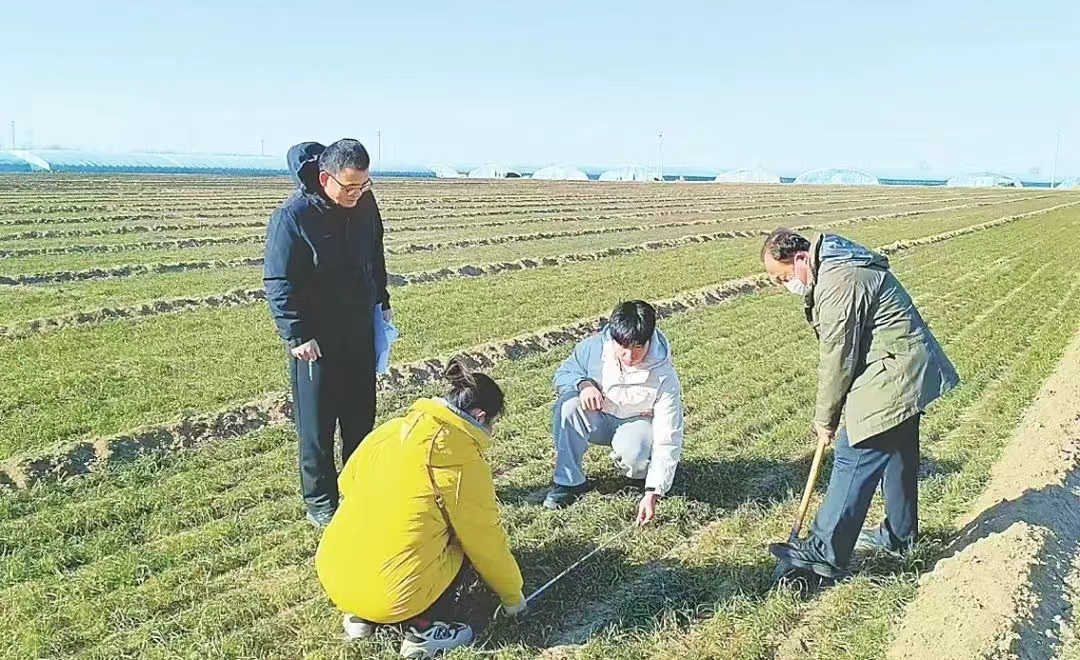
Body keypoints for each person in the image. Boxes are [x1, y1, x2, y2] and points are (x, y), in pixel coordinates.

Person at [761, 228, 959, 583]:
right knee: (898, 453)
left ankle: (824, 553)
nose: (784, 285)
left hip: (894, 370)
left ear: (801, 259)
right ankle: (900, 537)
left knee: (855, 452)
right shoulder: (836, 268)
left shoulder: (838, 282)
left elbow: (838, 357)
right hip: (905, 366)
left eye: (783, 277)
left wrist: (826, 420)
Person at [315, 359, 527, 659]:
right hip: (393, 595)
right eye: (492, 423)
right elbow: (483, 538)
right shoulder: (462, 460)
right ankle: (426, 628)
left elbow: (347, 484)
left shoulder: (391, 430)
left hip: (334, 577)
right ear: (480, 416)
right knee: (462, 538)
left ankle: (360, 616)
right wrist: (512, 595)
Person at [263, 139, 392, 526]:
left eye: (364, 186)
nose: (357, 194)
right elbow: (278, 280)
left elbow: (375, 256)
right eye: (349, 187)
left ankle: (358, 486)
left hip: (358, 331)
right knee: (317, 426)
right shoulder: (293, 216)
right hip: (315, 340)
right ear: (325, 178)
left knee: (359, 419)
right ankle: (320, 500)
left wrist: (381, 301)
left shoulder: (366, 206)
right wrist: (296, 333)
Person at [543, 300, 685, 526]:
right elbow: (563, 373)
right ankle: (569, 482)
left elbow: (669, 433)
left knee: (636, 454)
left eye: (638, 347)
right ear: (613, 337)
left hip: (636, 423)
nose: (629, 355)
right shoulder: (592, 348)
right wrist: (583, 384)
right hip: (598, 416)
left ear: (649, 339)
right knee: (568, 407)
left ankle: (640, 475)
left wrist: (653, 492)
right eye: (623, 346)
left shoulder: (664, 375)